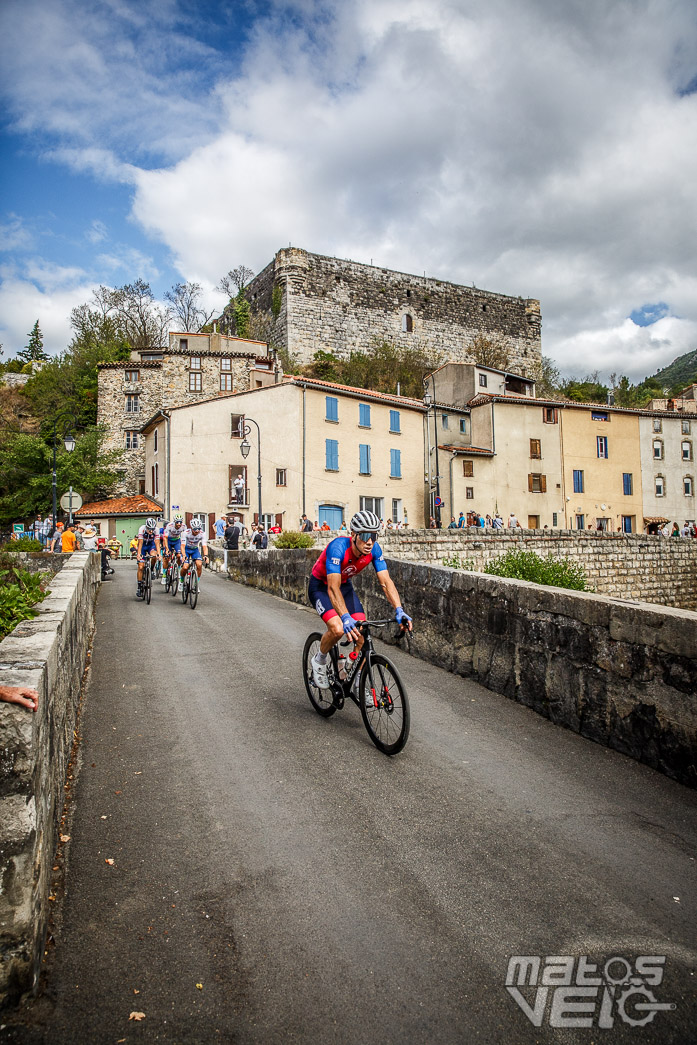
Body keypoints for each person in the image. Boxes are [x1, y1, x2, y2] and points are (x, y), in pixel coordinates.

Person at [307, 510, 412, 691]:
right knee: (338, 629)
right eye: (364, 535)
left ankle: (354, 672)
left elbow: (386, 582)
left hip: (345, 586)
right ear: (354, 535)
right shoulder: (338, 548)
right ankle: (320, 659)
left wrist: (399, 610)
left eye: (374, 535)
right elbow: (332, 588)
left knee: (362, 629)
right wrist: (345, 616)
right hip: (322, 587)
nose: (370, 541)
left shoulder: (374, 550)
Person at [136, 517, 161, 598]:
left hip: (151, 545)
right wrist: (139, 554)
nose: (151, 531)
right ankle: (139, 587)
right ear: (146, 526)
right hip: (143, 546)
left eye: (152, 529)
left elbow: (157, 542)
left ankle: (152, 569)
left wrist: (159, 554)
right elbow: (140, 542)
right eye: (149, 529)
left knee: (154, 556)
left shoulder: (156, 530)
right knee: (140, 566)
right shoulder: (142, 529)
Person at [180, 516, 209, 584]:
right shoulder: (186, 533)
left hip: (195, 550)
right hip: (186, 549)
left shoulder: (202, 534)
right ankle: (181, 581)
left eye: (198, 529)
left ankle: (196, 584)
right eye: (195, 529)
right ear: (191, 528)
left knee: (199, 564)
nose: (197, 531)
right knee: (185, 567)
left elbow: (204, 546)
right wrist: (183, 555)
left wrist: (205, 556)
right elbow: (182, 546)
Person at [163, 514, 186, 580]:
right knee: (166, 557)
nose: (179, 524)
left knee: (179, 556)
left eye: (180, 522)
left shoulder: (184, 526)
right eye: (177, 522)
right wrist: (167, 549)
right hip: (169, 541)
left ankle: (178, 569)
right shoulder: (169, 526)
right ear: (174, 522)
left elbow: (186, 537)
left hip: (177, 541)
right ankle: (164, 574)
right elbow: (165, 538)